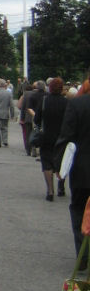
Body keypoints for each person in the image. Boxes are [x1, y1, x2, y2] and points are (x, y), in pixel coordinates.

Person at [54, 71, 90, 269]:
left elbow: (66, 136)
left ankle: (83, 256)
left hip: (82, 169)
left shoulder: (77, 104)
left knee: (78, 210)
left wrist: (60, 166)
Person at [34, 77, 68, 201]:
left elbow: (37, 119)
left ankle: (50, 190)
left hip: (46, 136)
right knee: (62, 162)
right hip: (61, 137)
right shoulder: (66, 102)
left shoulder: (44, 101)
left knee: (47, 162)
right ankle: (61, 187)